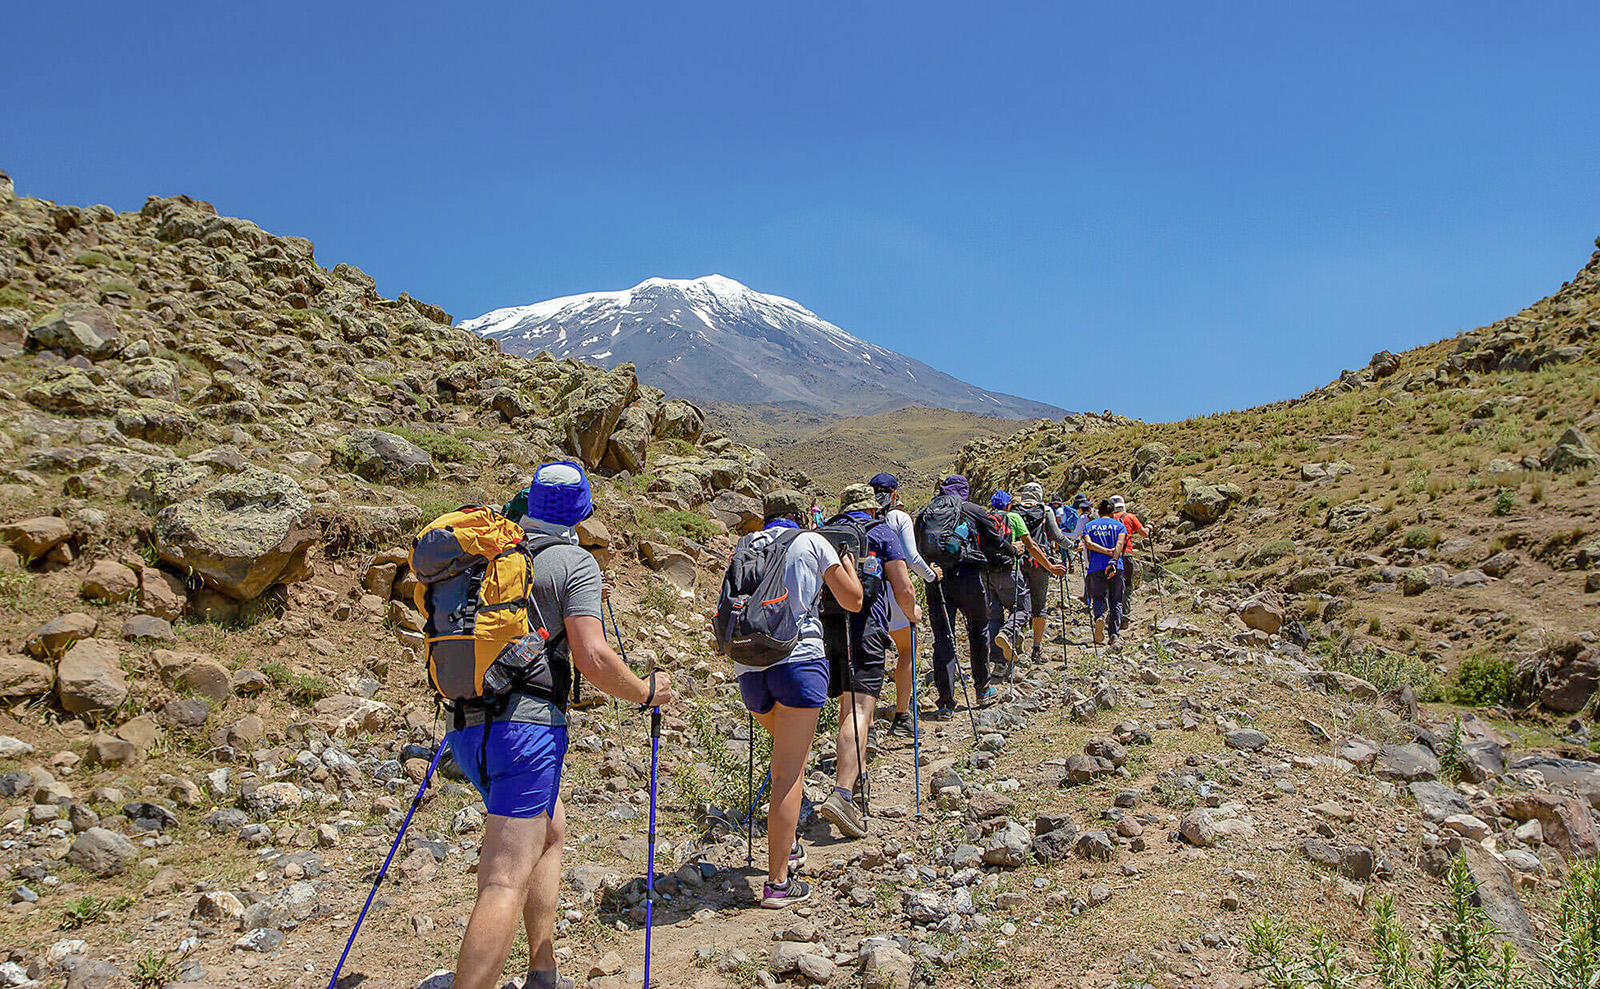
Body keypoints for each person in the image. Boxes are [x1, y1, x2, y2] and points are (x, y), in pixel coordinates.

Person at [448, 462, 675, 989]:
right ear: (582, 511)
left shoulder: (487, 558)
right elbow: (592, 657)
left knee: (550, 829)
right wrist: (646, 692)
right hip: (526, 733)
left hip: (466, 726)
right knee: (503, 880)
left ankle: (543, 970)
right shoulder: (572, 563)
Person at [735, 489, 862, 907]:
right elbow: (852, 600)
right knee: (789, 772)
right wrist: (849, 564)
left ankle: (785, 846)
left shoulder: (746, 544)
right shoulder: (812, 541)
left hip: (750, 667)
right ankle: (777, 883)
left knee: (787, 759)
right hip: (798, 661)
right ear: (802, 514)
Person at [817, 484, 919, 839]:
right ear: (871, 506)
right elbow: (903, 588)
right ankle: (843, 793)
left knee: (848, 707)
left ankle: (855, 779)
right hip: (865, 627)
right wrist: (913, 613)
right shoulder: (881, 532)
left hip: (826, 628)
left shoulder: (823, 533)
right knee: (861, 710)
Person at [918, 475, 1014, 718]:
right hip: (969, 577)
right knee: (978, 629)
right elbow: (994, 539)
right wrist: (1012, 551)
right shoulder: (971, 509)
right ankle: (982, 690)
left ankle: (946, 703)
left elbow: (917, 547)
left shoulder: (926, 512)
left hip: (936, 578)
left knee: (943, 637)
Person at [867, 472, 940, 739]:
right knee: (907, 650)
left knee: (870, 654)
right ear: (895, 493)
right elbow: (910, 557)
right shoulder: (900, 518)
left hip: (866, 592)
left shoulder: (862, 518)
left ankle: (869, 724)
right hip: (895, 591)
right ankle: (902, 715)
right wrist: (932, 576)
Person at [985, 491, 1064, 681]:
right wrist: (1050, 566)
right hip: (1009, 571)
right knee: (1023, 608)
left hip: (986, 574)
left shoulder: (984, 517)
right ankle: (1008, 633)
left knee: (993, 617)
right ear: (1009, 505)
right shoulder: (1013, 517)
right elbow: (1031, 546)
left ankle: (999, 664)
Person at [1013, 482, 1076, 663]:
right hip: (1040, 561)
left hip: (1016, 560)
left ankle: (1018, 639)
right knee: (1039, 605)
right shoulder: (1046, 510)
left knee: (1018, 601)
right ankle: (1037, 648)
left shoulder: (1013, 511)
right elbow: (1058, 537)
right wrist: (1074, 547)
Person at [1082, 499, 1129, 648]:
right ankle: (1114, 635)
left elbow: (1088, 544)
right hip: (1116, 567)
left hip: (1095, 567)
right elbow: (1120, 544)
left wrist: (1104, 551)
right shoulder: (1119, 526)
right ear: (1113, 512)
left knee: (1098, 597)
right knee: (1116, 601)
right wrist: (1113, 558)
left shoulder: (1089, 526)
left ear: (1099, 511)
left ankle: (1099, 617)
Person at [1110, 494, 1146, 632]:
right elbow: (1144, 533)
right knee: (1128, 586)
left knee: (1112, 586)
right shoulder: (1130, 517)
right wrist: (1149, 527)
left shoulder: (1109, 519)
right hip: (1127, 554)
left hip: (1112, 555)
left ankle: (1112, 616)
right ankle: (1125, 617)